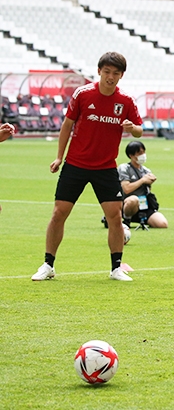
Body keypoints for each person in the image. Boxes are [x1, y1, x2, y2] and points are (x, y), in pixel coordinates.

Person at [31, 52, 143, 282]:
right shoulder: (83, 94)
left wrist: (133, 128)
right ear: (99, 71)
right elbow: (67, 125)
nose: (110, 77)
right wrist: (59, 157)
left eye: (115, 73)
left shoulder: (126, 101)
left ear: (121, 76)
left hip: (106, 167)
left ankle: (116, 268)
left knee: (114, 216)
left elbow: (139, 129)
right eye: (107, 72)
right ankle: (48, 265)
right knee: (59, 213)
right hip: (76, 164)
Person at [118, 140, 168, 228]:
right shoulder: (124, 168)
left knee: (162, 224)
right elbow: (126, 189)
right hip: (127, 204)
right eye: (139, 153)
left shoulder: (146, 171)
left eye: (143, 152)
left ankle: (141, 219)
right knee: (133, 200)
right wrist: (142, 180)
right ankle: (126, 220)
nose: (143, 155)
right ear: (131, 155)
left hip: (143, 206)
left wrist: (149, 182)